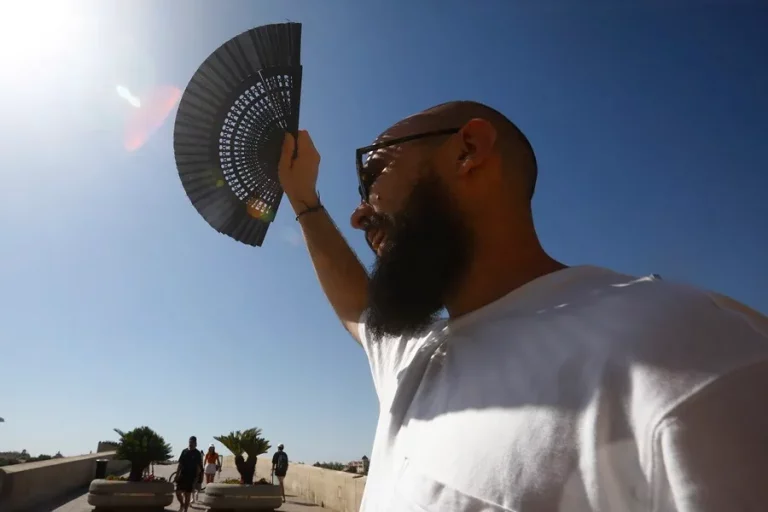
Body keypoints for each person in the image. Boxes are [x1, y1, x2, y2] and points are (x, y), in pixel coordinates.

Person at [276, 100, 768, 511]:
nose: (360, 213)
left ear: (468, 150)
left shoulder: (685, 349)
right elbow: (359, 306)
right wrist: (303, 201)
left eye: (374, 173)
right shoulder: (414, 362)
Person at [174, 436, 203, 512]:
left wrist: (196, 480)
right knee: (177, 492)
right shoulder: (184, 451)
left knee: (187, 494)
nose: (190, 444)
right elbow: (180, 464)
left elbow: (198, 468)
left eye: (192, 442)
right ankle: (182, 504)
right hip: (182, 475)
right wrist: (177, 475)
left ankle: (185, 510)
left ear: (195, 443)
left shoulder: (197, 453)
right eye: (190, 442)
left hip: (191, 477)